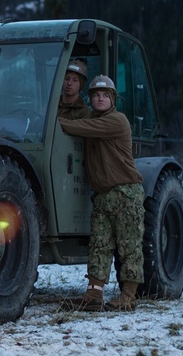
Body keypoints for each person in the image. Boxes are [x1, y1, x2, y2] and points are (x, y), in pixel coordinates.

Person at [58, 75, 145, 311]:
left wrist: (54, 122)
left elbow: (79, 126)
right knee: (99, 245)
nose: (100, 98)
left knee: (129, 246)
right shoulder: (91, 119)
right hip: (103, 196)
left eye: (105, 95)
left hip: (125, 192)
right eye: (95, 95)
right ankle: (94, 295)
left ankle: (128, 297)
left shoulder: (116, 121)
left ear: (112, 99)